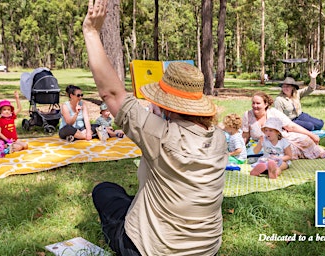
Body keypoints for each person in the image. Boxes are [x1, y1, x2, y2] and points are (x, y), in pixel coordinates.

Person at [83, 1, 228, 255]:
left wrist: (92, 32)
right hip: (207, 249)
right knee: (134, 197)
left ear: (167, 105)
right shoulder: (217, 137)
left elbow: (111, 93)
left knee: (105, 191)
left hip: (153, 249)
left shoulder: (160, 135)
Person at [242, 91, 325, 160]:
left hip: (283, 137)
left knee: (305, 139)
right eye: (253, 103)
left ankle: (320, 151)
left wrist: (311, 135)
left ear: (266, 104)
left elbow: (291, 126)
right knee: (287, 149)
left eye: (258, 103)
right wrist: (240, 149)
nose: (255, 106)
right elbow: (245, 135)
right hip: (265, 144)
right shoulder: (247, 115)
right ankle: (322, 154)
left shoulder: (273, 112)